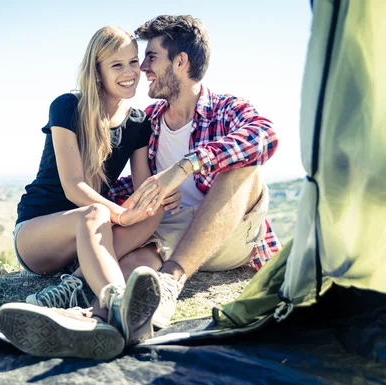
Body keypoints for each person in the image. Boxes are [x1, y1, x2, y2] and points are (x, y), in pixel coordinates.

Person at [22, 15, 280, 332]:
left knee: (245, 166)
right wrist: (125, 212)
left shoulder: (225, 109)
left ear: (181, 62)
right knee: (132, 270)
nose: (142, 68)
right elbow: (136, 187)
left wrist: (185, 166)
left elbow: (265, 136)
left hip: (227, 237)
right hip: (168, 236)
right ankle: (100, 322)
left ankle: (171, 281)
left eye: (149, 58)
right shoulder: (150, 120)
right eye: (128, 62)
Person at [0, 26, 180, 360]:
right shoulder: (66, 107)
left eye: (133, 62)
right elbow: (73, 186)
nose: (130, 73)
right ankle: (116, 301)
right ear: (97, 70)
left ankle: (78, 292)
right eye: (117, 65)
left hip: (88, 239)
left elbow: (141, 189)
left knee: (153, 211)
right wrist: (121, 214)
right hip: (39, 234)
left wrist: (159, 195)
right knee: (96, 213)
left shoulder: (138, 122)